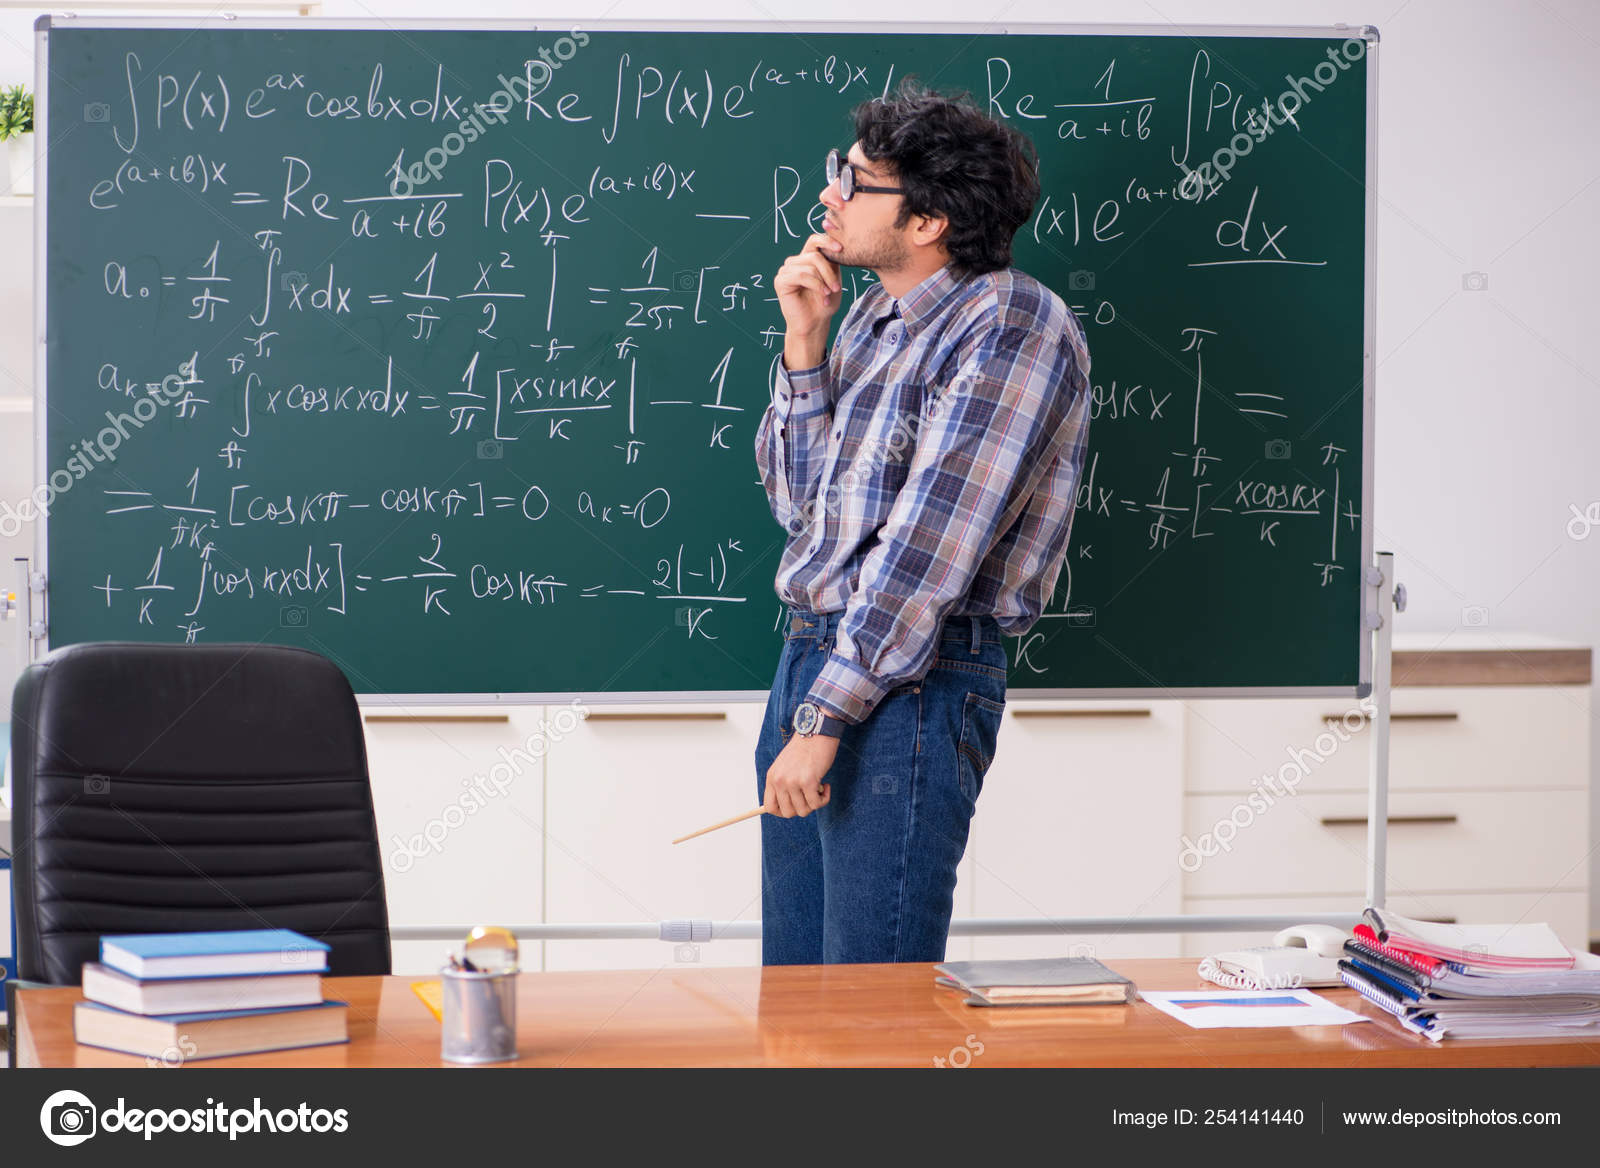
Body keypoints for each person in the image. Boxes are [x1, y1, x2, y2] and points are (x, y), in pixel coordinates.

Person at [753, 81, 1093, 966]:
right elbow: (804, 513)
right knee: (796, 995)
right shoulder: (868, 318)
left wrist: (824, 719)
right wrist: (804, 351)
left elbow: (929, 551)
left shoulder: (1012, 322)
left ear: (929, 221)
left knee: (872, 1010)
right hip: (816, 656)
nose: (830, 193)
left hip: (909, 683)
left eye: (856, 182)